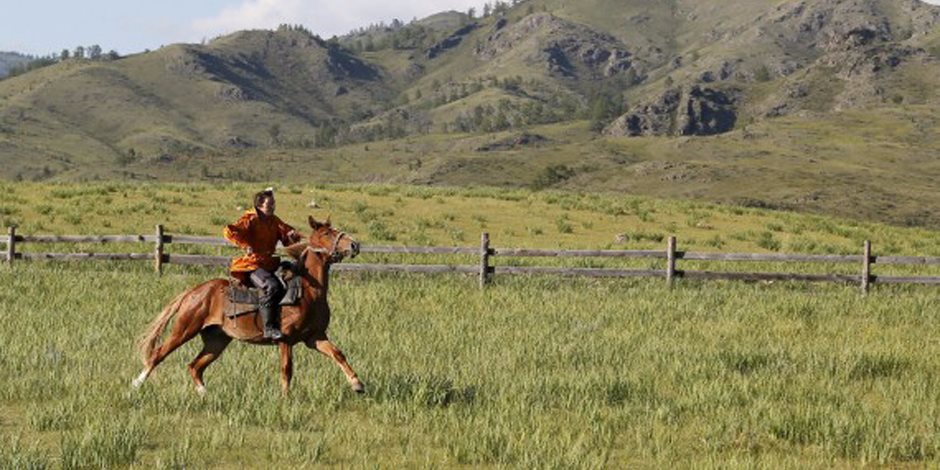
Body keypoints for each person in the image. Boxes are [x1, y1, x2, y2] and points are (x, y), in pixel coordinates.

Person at [223, 188, 301, 340]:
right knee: (272, 286)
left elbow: (286, 236)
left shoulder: (274, 220)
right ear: (259, 206)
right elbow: (229, 231)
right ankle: (268, 328)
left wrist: (292, 235)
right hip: (252, 265)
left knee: (294, 273)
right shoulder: (249, 219)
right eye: (269, 204)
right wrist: (245, 245)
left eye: (273, 204)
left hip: (271, 263)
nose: (273, 207)